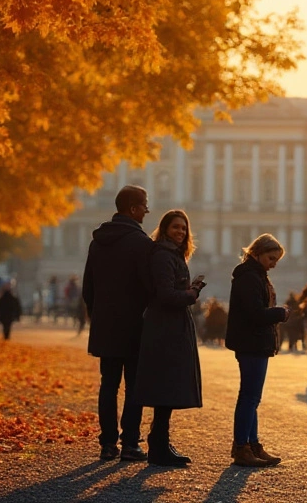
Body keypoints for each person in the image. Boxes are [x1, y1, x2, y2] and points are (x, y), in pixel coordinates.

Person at [82, 185, 153, 462]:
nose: (147, 210)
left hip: (105, 325)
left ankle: (107, 443)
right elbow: (149, 288)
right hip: (135, 326)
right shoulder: (141, 243)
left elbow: (88, 288)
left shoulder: (97, 241)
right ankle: (130, 443)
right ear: (133, 209)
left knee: (108, 385)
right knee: (134, 386)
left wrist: (98, 313)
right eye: (144, 205)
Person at [132, 210, 205, 467]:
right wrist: (192, 292)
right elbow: (166, 295)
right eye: (176, 227)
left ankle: (160, 440)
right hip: (165, 327)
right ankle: (158, 445)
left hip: (171, 325)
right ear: (164, 229)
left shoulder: (171, 254)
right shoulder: (163, 256)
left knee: (169, 386)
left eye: (184, 229)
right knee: (166, 386)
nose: (181, 232)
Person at [225, 233, 291, 468]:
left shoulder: (255, 275)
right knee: (249, 397)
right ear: (258, 253)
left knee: (252, 397)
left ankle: (252, 444)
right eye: (271, 258)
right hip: (251, 342)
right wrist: (279, 313)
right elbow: (254, 313)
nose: (273, 264)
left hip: (255, 342)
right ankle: (242, 446)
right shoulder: (249, 277)